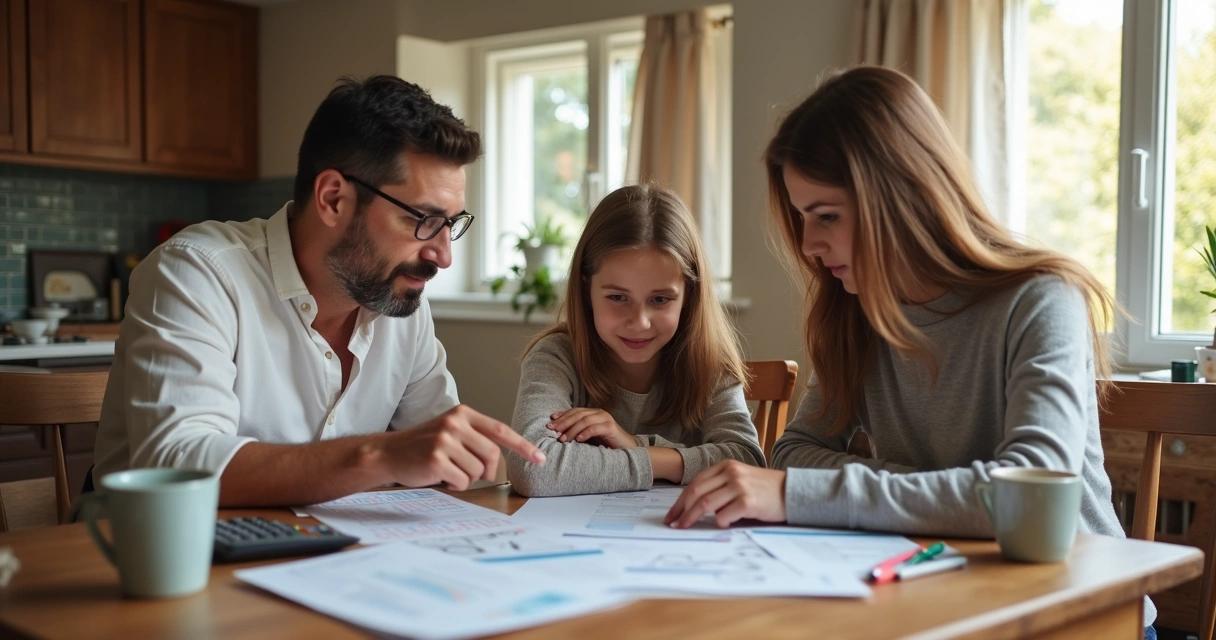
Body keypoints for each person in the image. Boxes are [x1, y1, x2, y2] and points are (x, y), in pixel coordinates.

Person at [664, 64, 1155, 634]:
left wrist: (811, 495)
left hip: (1079, 609)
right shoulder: (856, 311)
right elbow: (796, 450)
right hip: (940, 590)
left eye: (826, 216)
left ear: (901, 194)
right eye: (802, 218)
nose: (809, 245)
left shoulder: (1041, 299)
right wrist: (942, 485)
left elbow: (1029, 490)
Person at [93, 75, 544, 507]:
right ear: (333, 199)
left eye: (450, 224)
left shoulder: (397, 302)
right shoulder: (198, 272)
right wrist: (379, 456)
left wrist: (464, 461)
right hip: (148, 563)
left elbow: (444, 460)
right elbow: (176, 465)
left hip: (324, 558)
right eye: (421, 220)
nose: (442, 256)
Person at [505, 184, 764, 497]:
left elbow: (747, 463)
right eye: (617, 297)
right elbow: (532, 468)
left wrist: (632, 444)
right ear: (587, 291)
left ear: (688, 296)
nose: (640, 322)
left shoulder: (708, 363)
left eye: (659, 299)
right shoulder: (557, 357)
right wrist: (667, 462)